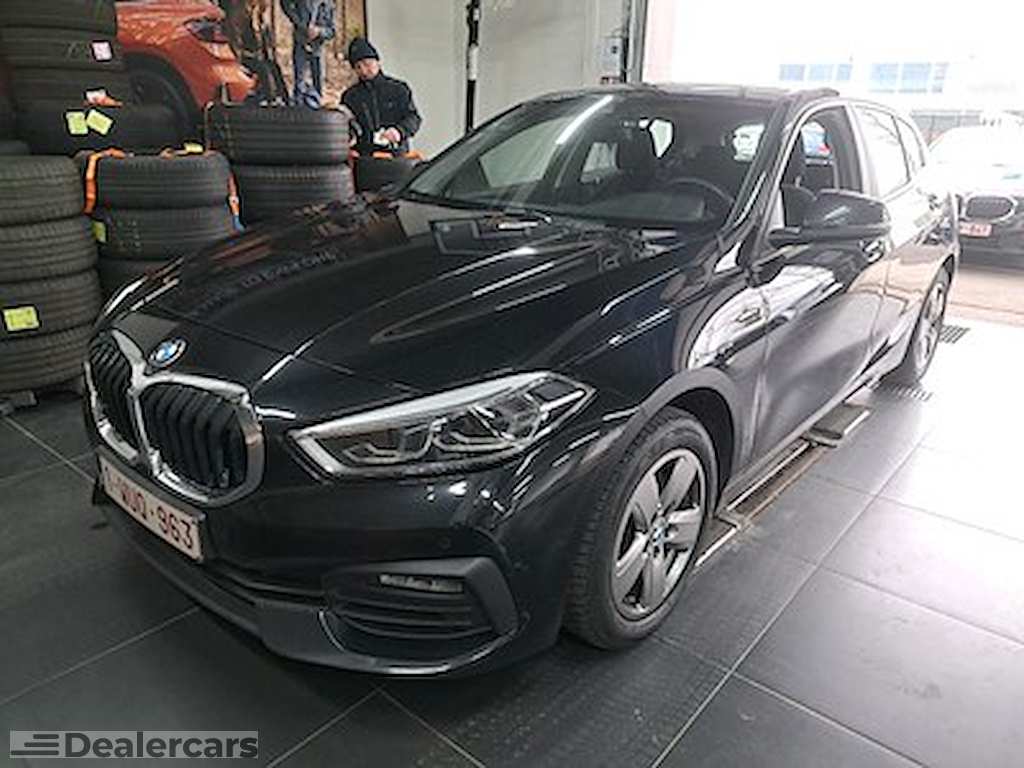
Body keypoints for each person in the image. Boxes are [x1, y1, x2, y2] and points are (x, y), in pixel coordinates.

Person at [342, 38, 422, 155]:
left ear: (378, 62)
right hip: (364, 157)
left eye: (367, 64)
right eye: (358, 67)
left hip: (396, 155)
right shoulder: (350, 96)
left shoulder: (398, 89)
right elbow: (346, 127)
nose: (363, 71)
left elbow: (413, 118)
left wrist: (399, 131)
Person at [279, 0, 335, 106]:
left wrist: (319, 31)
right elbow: (285, 4)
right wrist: (300, 24)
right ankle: (298, 106)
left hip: (317, 48)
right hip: (300, 43)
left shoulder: (328, 4)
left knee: (318, 82)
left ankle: (316, 106)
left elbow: (332, 31)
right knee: (299, 82)